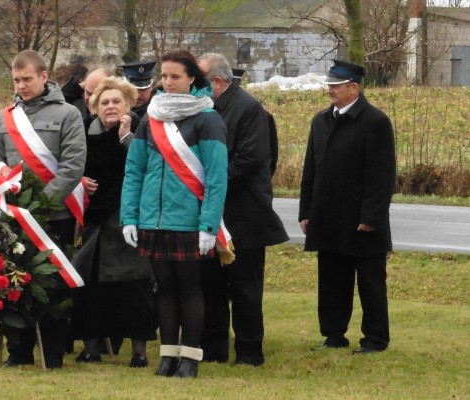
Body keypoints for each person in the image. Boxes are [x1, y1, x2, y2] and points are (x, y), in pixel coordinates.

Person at [120, 50, 228, 378]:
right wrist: (129, 216)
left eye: (174, 77)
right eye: (164, 77)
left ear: (192, 78)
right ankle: (168, 355)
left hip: (190, 221)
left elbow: (216, 176)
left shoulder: (208, 119)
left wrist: (209, 224)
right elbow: (135, 170)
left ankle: (190, 358)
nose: (167, 82)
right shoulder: (151, 118)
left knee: (190, 288)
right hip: (153, 218)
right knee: (163, 288)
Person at [0, 49, 87, 369]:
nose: (21, 85)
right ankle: (19, 351)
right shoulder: (4, 118)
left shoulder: (68, 114)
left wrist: (42, 205)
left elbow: (73, 166)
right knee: (15, 281)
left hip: (53, 215)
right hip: (14, 217)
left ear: (44, 77)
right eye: (16, 80)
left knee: (53, 286)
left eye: (27, 79)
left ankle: (54, 351)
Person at [196, 53, 289, 366]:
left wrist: (209, 184)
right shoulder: (204, 110)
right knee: (211, 286)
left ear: (218, 82)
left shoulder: (248, 108)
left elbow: (252, 159)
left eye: (200, 81)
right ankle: (214, 350)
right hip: (211, 214)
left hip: (244, 215)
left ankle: (249, 352)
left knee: (245, 288)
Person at [299, 59, 396, 354]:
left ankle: (375, 339)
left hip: (361, 221)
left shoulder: (375, 122)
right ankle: (334, 334)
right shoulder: (321, 121)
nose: (330, 90)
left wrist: (371, 217)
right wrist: (306, 211)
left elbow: (382, 175)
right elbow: (310, 170)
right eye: (329, 85)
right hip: (328, 218)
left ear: (354, 88)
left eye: (336, 85)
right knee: (331, 281)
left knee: (370, 283)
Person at [71, 77, 156, 368]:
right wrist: (79, 182)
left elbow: (147, 168)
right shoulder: (83, 131)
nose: (110, 106)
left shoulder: (141, 129)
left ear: (128, 104)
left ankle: (139, 352)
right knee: (89, 286)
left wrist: (125, 138)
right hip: (92, 221)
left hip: (126, 219)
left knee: (132, 286)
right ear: (94, 106)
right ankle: (92, 347)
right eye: (104, 101)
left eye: (116, 101)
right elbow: (71, 166)